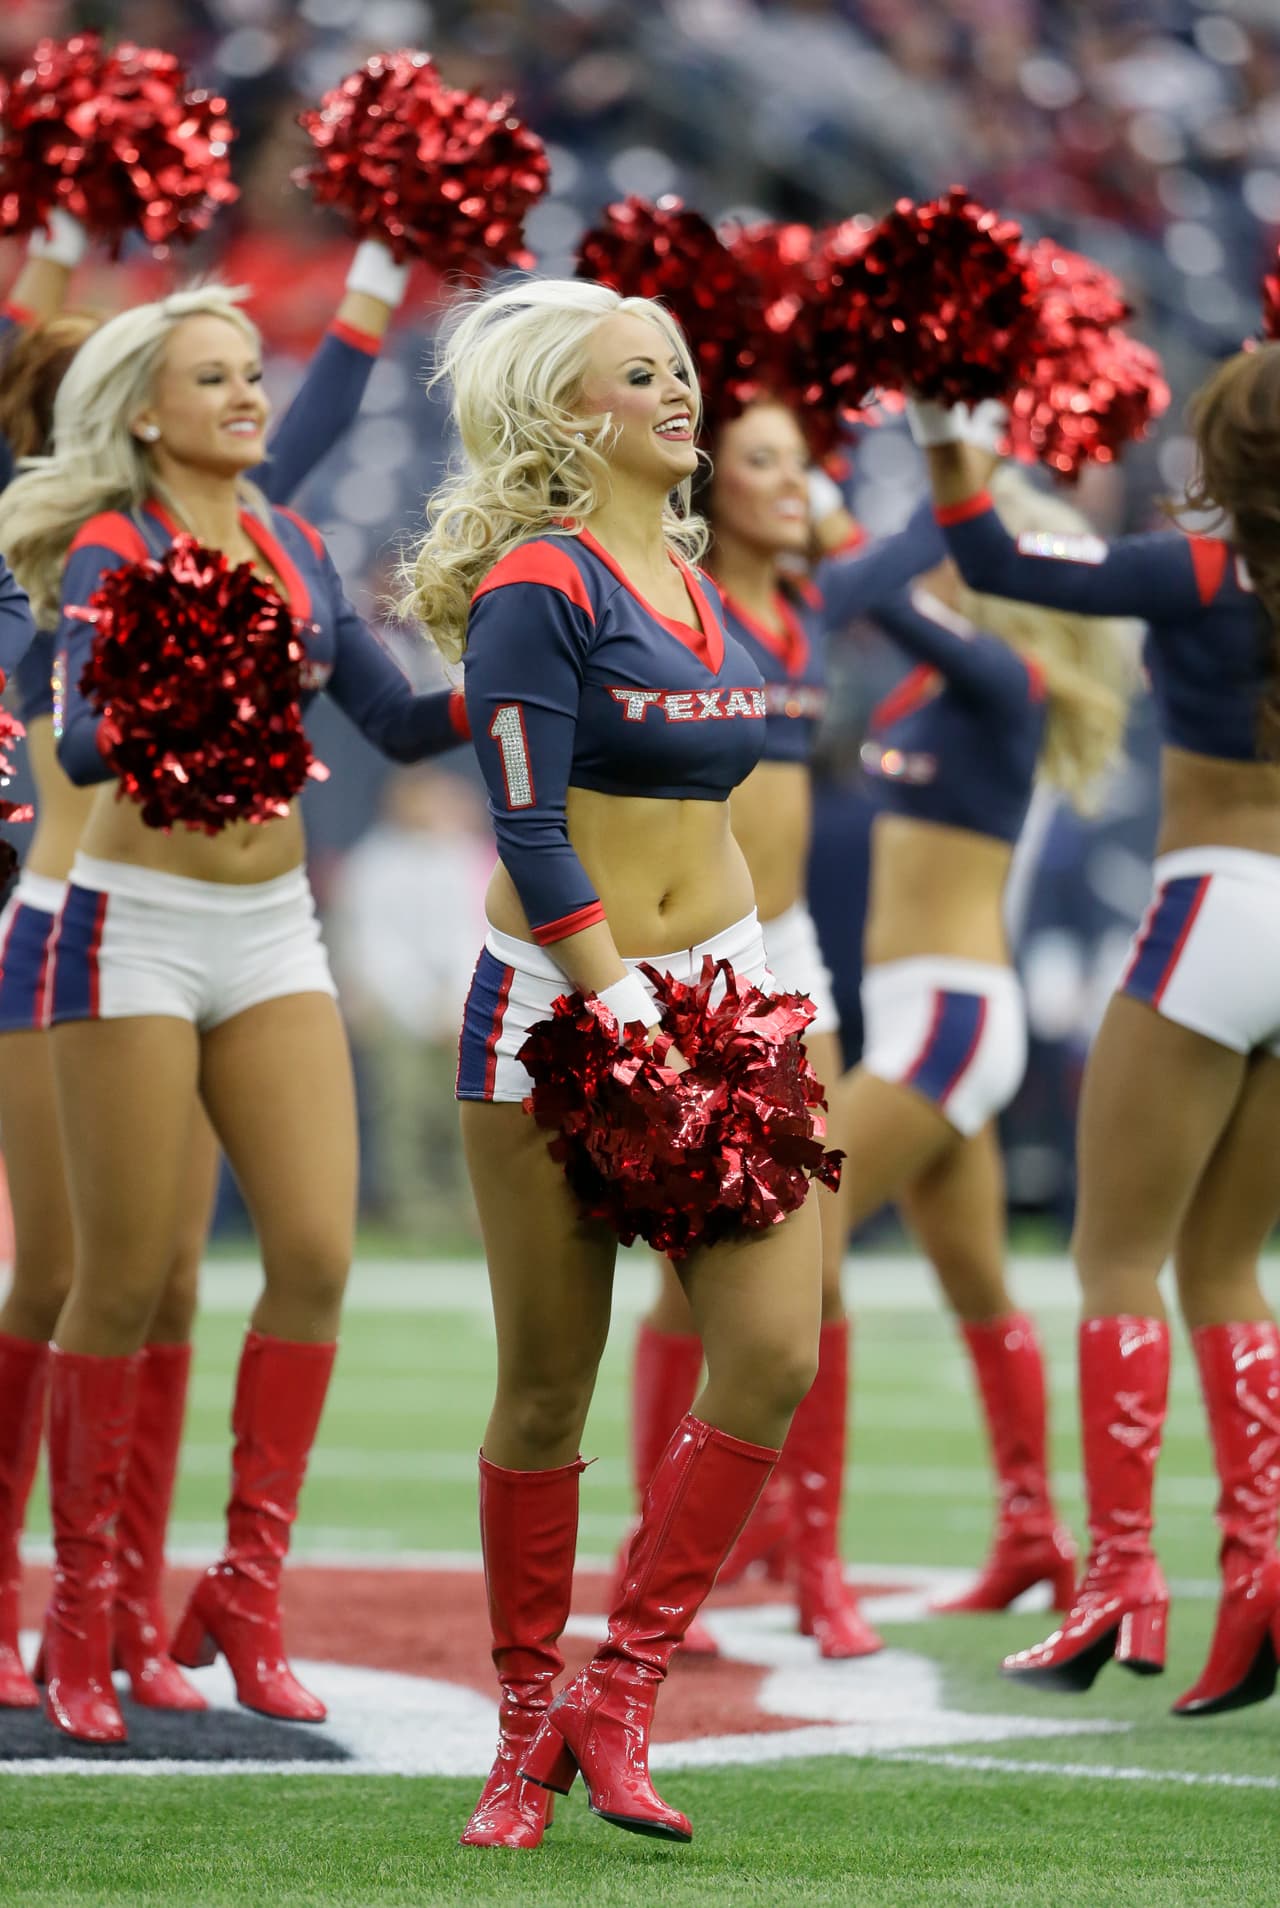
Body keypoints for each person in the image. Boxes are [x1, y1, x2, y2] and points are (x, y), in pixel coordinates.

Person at [0, 282, 468, 1745]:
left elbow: (396, 722)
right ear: (148, 412)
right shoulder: (109, 547)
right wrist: (180, 673)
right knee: (121, 1285)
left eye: (254, 374)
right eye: (215, 378)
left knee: (316, 1255)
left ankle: (241, 1595)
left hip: (273, 930)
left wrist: (522, 673)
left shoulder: (301, 543)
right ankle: (80, 1616)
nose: (249, 396)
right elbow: (77, 731)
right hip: (125, 930)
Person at [399, 278, 826, 1849]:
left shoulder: (703, 580)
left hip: (725, 983)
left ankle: (622, 1692)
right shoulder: (539, 582)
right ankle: (522, 1731)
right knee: (545, 1386)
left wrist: (727, 992)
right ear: (566, 416)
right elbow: (524, 824)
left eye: (678, 369)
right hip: (559, 1001)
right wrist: (621, 1009)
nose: (676, 391)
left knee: (775, 1348)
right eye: (635, 374)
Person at [916, 353, 1280, 1716]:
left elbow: (994, 557)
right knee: (1230, 1268)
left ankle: (1121, 1576)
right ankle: (1263, 1574)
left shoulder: (1195, 572)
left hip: (1212, 909)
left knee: (1116, 1257)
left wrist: (950, 432)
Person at [618, 398, 949, 1660]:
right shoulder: (685, 599)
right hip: (684, 958)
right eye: (762, 462)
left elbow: (920, 542)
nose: (789, 483)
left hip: (790, 952)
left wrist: (839, 504)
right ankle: (654, 1551)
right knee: (684, 1276)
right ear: (711, 481)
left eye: (801, 463)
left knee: (815, 1260)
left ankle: (816, 1563)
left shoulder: (811, 604)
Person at [824, 456, 1134, 1617]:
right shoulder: (944, 682)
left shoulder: (1010, 676)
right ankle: (1033, 1536)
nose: (954, 542)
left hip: (950, 1014)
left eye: (976, 532)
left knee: (793, 1250)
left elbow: (864, 593)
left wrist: (881, 517)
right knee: (974, 1285)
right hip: (923, 1011)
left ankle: (802, 1556)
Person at [327, 764, 492, 1240]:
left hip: (467, 1007)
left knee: (471, 1113)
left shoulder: (471, 858)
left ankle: (475, 1210)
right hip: (398, 1011)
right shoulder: (372, 863)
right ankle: (416, 1213)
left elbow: (477, 934)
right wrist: (419, 1006)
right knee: (403, 1110)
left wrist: (456, 1002)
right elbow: (373, 946)